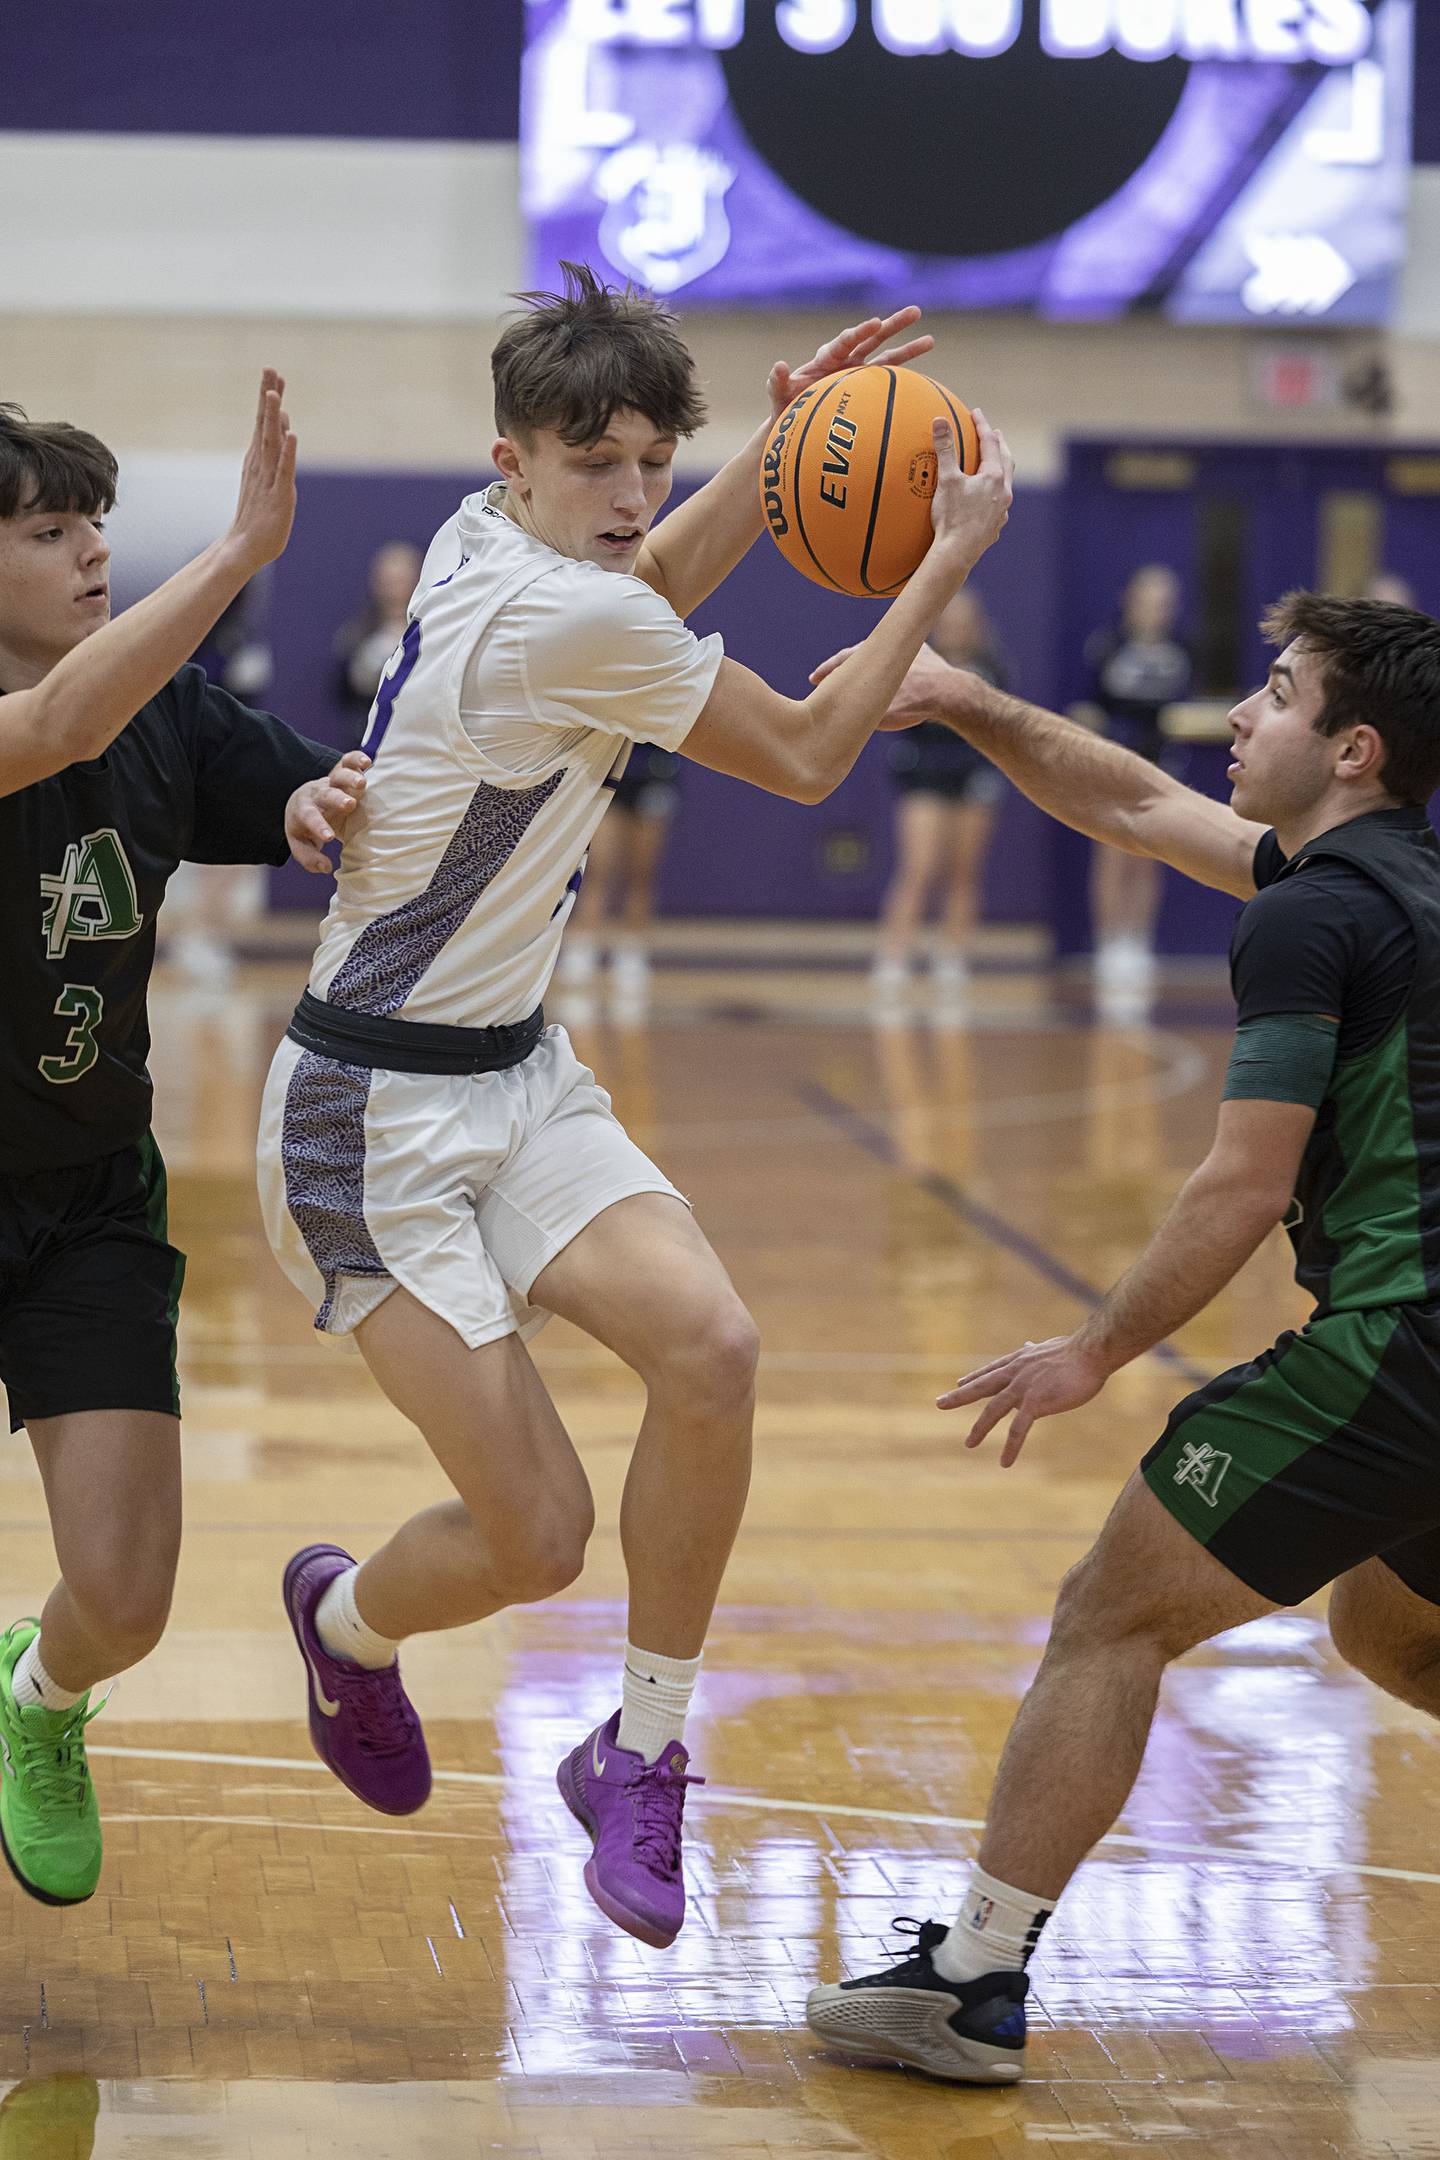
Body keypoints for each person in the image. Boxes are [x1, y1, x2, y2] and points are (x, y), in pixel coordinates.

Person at [256, 264, 1013, 1952]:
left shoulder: (488, 535)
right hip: (363, 1120)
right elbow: (816, 749)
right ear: (514, 456)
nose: (629, 497)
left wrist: (773, 446)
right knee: (536, 1538)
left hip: (516, 1070)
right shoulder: (562, 614)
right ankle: (351, 1626)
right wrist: (942, 560)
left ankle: (645, 1747)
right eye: (592, 463)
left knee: (714, 1349)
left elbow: (647, 581)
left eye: (651, 463)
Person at [805, 592, 1440, 2082]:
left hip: (1407, 1343)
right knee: (1387, 1624)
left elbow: (1241, 1184)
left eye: (1273, 695)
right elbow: (1143, 805)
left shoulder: (1314, 915)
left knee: (1114, 1611)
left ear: (1350, 748)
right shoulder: (1397, 879)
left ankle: (967, 1981)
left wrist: (1092, 1348)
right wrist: (967, 697)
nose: (1236, 714)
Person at [0, 374, 368, 1909]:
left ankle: (35, 1703)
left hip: (84, 1201)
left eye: (99, 523)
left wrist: (319, 805)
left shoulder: (161, 710)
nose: (94, 551)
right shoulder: (82, 700)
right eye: (50, 528)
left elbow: (291, 788)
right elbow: (49, 725)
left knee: (129, 1599)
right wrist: (232, 555)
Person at [871, 586, 1007, 1005]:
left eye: (963, 623)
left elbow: (1000, 726)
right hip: (927, 775)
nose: (956, 629)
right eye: (949, 622)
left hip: (973, 776)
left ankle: (952, 958)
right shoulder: (919, 664)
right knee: (919, 866)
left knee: (964, 871)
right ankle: (894, 957)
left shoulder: (989, 670)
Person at [1083, 564, 1193, 1000]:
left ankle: (1137, 942)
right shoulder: (1108, 646)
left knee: (1150, 852)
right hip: (1114, 760)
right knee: (1113, 852)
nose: (1158, 609)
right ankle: (1109, 943)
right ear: (1131, 599)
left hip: (1159, 761)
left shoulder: (1182, 648)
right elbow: (1092, 704)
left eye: (1166, 601)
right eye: (1150, 599)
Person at [554, 738, 682, 1006]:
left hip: (654, 773)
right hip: (611, 767)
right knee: (599, 867)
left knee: (641, 873)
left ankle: (631, 954)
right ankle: (582, 951)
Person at [332, 541, 424, 747]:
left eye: (400, 579)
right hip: (365, 739)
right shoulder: (357, 632)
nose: (392, 587)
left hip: (415, 740)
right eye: (387, 579)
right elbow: (342, 691)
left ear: (416, 579)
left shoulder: (431, 629)